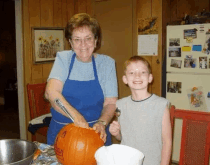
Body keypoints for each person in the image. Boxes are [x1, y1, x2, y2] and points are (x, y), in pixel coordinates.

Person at [45, 13, 118, 146]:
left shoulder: (107, 63)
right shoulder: (63, 59)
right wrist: (77, 118)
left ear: (96, 40)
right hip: (63, 134)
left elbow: (110, 103)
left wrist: (102, 123)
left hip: (96, 134)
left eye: (88, 38)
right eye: (77, 39)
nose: (83, 45)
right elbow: (52, 92)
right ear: (70, 42)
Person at [109, 56, 172, 165]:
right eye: (132, 73)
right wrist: (116, 133)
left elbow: (167, 142)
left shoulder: (161, 105)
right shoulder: (120, 104)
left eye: (143, 72)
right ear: (125, 79)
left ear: (150, 78)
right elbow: (123, 137)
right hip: (126, 161)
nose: (137, 76)